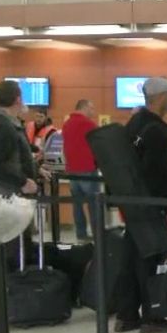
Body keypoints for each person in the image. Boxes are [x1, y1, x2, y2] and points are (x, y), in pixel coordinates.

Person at [114, 77, 167, 333]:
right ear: (161, 97)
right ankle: (153, 316)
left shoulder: (135, 124)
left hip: (133, 203)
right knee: (154, 262)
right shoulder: (156, 131)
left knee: (132, 259)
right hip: (151, 205)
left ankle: (127, 315)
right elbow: (158, 175)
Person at [0, 80, 39, 197]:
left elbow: (17, 154)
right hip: (7, 197)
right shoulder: (1, 126)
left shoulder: (8, 123)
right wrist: (23, 182)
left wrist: (36, 168)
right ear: (18, 99)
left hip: (11, 194)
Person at [62, 99, 99, 241]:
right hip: (88, 169)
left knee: (77, 206)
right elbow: (99, 143)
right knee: (94, 205)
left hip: (72, 170)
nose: (93, 112)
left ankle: (81, 234)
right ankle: (97, 235)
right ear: (84, 107)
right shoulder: (88, 124)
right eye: (92, 108)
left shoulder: (67, 124)